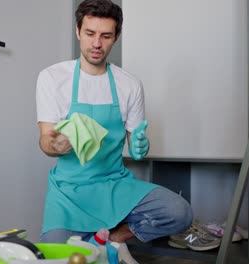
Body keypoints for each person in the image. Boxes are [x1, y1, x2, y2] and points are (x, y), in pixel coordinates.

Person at [36, 0, 192, 261]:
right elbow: (45, 140)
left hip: (114, 183)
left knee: (180, 212)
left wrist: (141, 145)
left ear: (116, 37)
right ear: (77, 31)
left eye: (106, 35)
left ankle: (115, 238)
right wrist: (56, 146)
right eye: (90, 34)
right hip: (68, 190)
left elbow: (135, 145)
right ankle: (94, 241)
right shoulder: (53, 78)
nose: (97, 43)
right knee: (56, 257)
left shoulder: (129, 84)